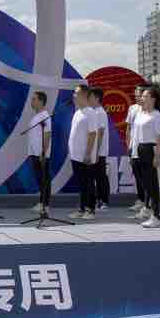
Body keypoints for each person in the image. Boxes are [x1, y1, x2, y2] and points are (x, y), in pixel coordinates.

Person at [133, 86, 160, 228]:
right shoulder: (141, 114)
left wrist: (157, 156)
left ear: (153, 99)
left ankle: (158, 216)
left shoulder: (157, 115)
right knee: (147, 184)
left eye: (146, 96)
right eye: (142, 96)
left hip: (152, 150)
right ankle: (152, 213)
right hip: (141, 149)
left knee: (155, 185)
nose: (142, 98)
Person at [67, 85, 96, 220]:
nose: (74, 95)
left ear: (84, 95)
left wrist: (88, 153)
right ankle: (82, 208)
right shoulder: (78, 112)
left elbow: (92, 134)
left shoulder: (90, 112)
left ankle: (90, 210)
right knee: (81, 183)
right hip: (75, 155)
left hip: (85, 156)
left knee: (88, 182)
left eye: (76, 93)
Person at [25, 91, 52, 215]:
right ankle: (41, 202)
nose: (32, 102)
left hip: (40, 153)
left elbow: (47, 134)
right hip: (34, 152)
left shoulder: (45, 116)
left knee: (44, 179)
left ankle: (46, 205)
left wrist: (43, 152)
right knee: (40, 179)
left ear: (41, 101)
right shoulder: (37, 116)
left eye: (34, 99)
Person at [126, 84, 147, 214]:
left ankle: (148, 202)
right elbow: (128, 128)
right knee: (137, 175)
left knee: (145, 176)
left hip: (144, 148)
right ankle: (140, 199)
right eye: (136, 95)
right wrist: (128, 144)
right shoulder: (132, 108)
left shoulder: (148, 110)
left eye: (139, 95)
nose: (136, 97)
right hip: (133, 148)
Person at [88, 87, 110, 210]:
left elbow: (100, 133)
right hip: (94, 150)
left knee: (100, 176)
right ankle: (97, 200)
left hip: (99, 151)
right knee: (94, 176)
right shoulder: (93, 112)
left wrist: (96, 151)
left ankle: (104, 200)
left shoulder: (100, 113)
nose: (88, 99)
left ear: (97, 98)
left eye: (90, 97)